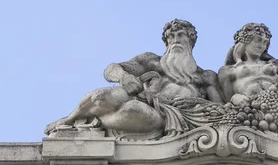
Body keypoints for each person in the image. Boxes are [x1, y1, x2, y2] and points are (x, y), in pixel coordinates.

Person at [45, 20, 224, 140]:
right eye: (171, 37)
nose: (175, 40)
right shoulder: (151, 61)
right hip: (145, 99)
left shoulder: (205, 76)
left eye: (180, 35)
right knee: (103, 96)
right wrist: (124, 77)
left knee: (133, 109)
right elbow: (111, 69)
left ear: (191, 39)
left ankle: (94, 122)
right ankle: (70, 120)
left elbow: (220, 111)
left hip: (164, 116)